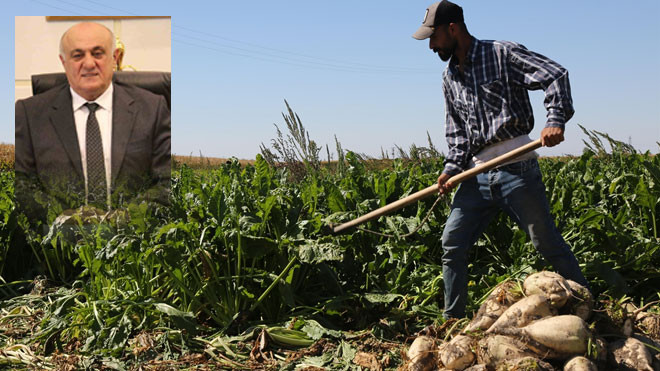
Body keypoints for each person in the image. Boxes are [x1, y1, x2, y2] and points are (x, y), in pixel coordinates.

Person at [412, 1, 589, 319]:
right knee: (453, 242)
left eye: (433, 37)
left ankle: (587, 306)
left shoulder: (501, 53)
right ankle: (453, 322)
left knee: (546, 243)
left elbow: (555, 75)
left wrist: (555, 120)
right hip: (476, 173)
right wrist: (451, 169)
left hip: (516, 165)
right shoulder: (449, 77)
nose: (431, 45)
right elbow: (457, 133)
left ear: (452, 29)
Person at [15, 22, 171, 226]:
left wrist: (121, 221)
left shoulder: (153, 108)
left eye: (98, 53)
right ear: (64, 62)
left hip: (135, 240)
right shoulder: (30, 113)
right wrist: (68, 222)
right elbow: (21, 184)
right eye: (78, 55)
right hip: (57, 245)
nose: (89, 64)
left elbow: (168, 180)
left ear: (114, 58)